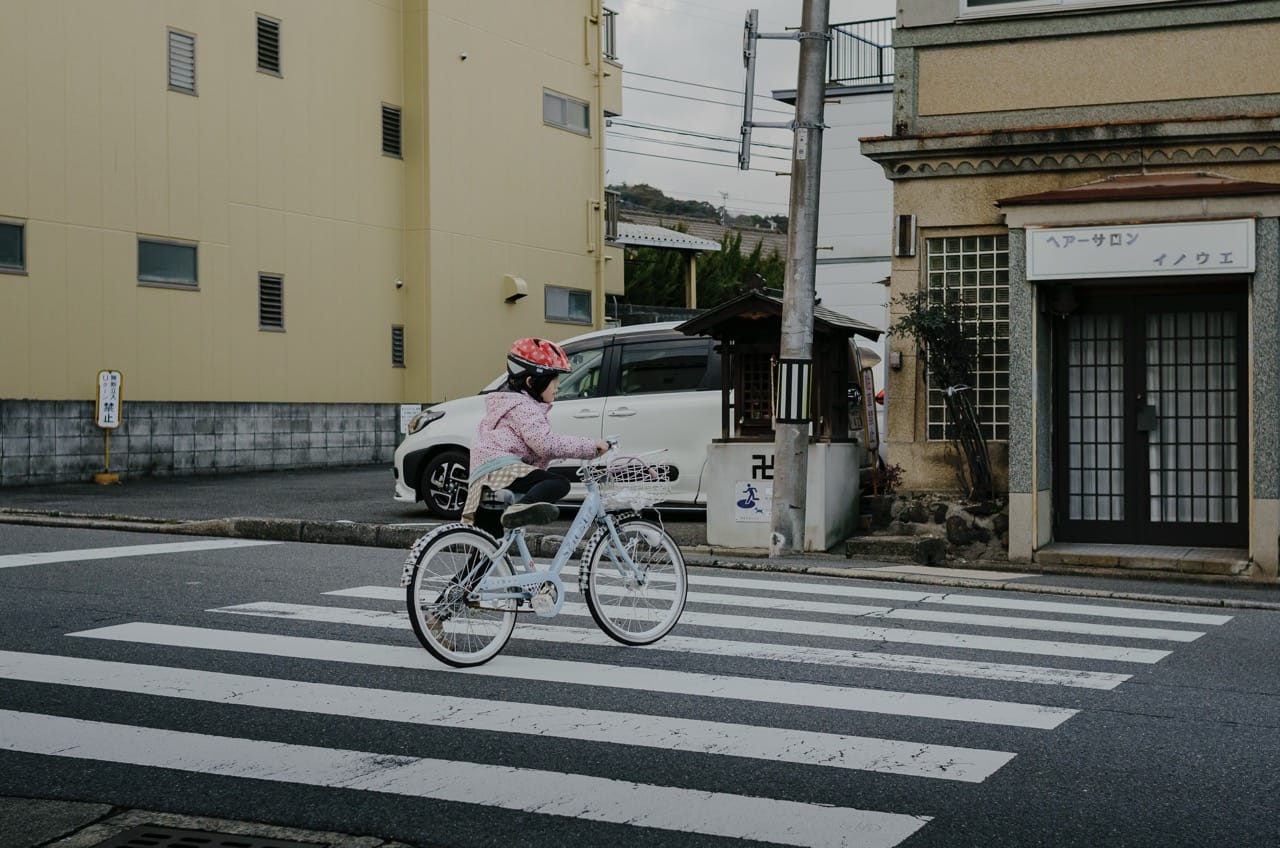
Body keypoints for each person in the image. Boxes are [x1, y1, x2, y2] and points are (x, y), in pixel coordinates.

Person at [461, 337, 609, 537]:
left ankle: (476, 566)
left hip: (485, 475)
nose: (558, 387)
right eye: (553, 382)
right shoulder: (524, 407)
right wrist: (590, 447)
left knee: (488, 547)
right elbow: (545, 444)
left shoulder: (508, 403)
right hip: (501, 470)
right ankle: (520, 509)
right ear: (531, 382)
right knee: (558, 483)